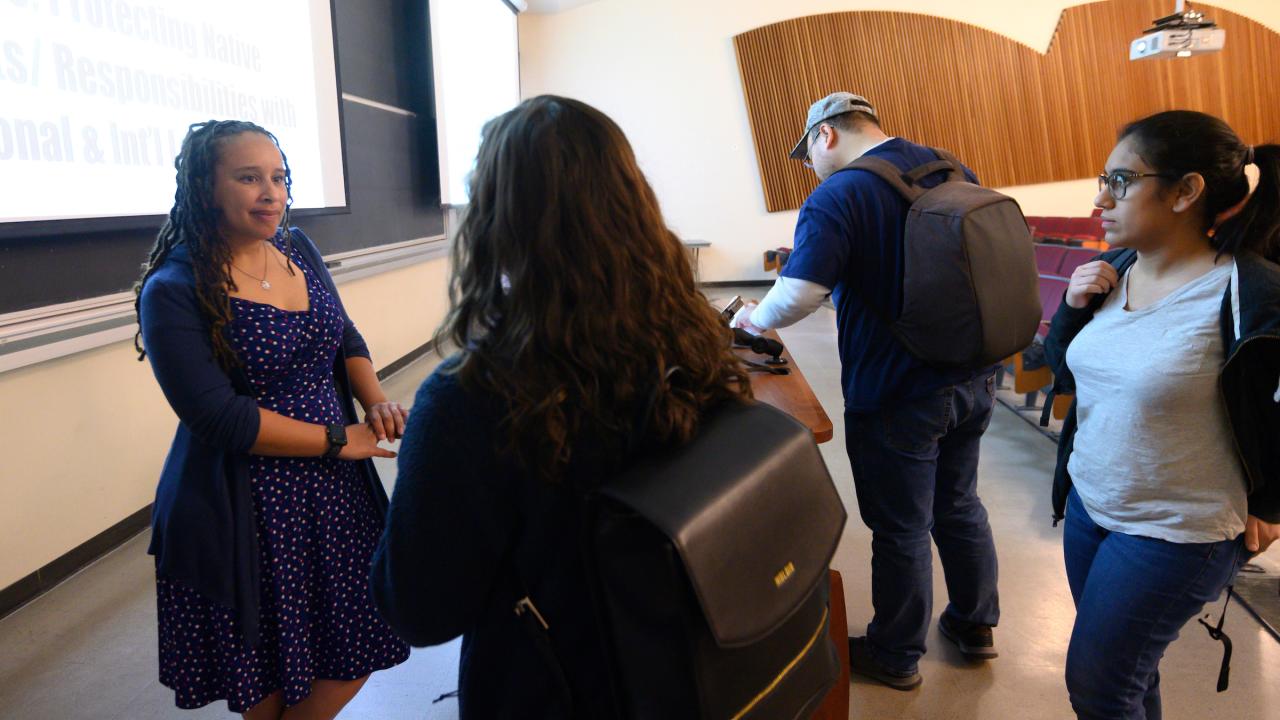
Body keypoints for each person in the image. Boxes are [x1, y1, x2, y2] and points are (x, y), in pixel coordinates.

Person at [368, 95, 752, 718]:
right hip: (684, 661)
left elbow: (419, 611)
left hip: (553, 686)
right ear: (632, 202)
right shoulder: (693, 333)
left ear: (496, 221)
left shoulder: (471, 396)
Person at [135, 120, 410, 719]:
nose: (271, 192)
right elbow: (220, 418)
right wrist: (342, 439)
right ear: (206, 188)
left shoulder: (298, 248)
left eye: (278, 177)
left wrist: (376, 400)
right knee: (267, 685)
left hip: (334, 490)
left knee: (352, 647)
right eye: (249, 177)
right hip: (244, 507)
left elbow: (344, 336)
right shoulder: (173, 287)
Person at [734, 92, 1000, 689]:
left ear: (826, 135)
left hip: (898, 388)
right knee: (958, 503)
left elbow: (799, 293)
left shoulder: (841, 192)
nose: (811, 167)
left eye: (808, 155)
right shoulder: (949, 167)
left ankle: (896, 653)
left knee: (900, 524)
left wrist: (754, 319)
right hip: (973, 375)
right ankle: (974, 625)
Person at [1044, 110, 1280, 719]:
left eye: (1120, 181)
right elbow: (1070, 376)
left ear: (1185, 191)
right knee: (1129, 675)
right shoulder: (1116, 271)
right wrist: (1072, 308)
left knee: (1097, 686)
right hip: (1090, 506)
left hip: (1177, 530)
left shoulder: (1250, 292)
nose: (1101, 197)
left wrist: (1274, 504)